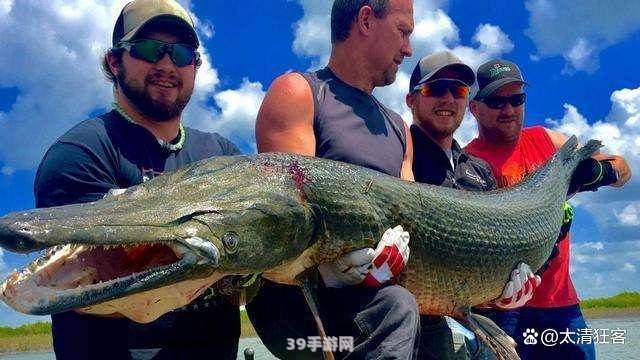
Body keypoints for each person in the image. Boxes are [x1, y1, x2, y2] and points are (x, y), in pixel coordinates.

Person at [33, 0, 242, 359]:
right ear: (115, 62)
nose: (166, 64)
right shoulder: (80, 153)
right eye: (148, 50)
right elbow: (92, 285)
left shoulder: (224, 155)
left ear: (195, 65)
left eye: (181, 53)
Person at [248, 0, 420, 358]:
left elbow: (412, 223)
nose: (408, 49)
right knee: (397, 306)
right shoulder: (300, 93)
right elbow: (288, 220)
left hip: (373, 300)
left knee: (400, 305)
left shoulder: (400, 129)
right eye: (403, 32)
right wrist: (329, 269)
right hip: (301, 310)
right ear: (366, 20)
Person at [466, 59, 632, 359]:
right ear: (474, 108)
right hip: (504, 310)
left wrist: (598, 173)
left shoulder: (546, 141)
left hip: (561, 305)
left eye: (517, 99)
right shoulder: (464, 163)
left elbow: (623, 168)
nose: (509, 109)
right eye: (496, 101)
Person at [406, 51, 540, 359]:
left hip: (478, 322)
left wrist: (505, 293)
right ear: (411, 100)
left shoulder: (478, 169)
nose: (448, 99)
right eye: (435, 89)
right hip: (422, 330)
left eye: (459, 90)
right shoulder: (399, 157)